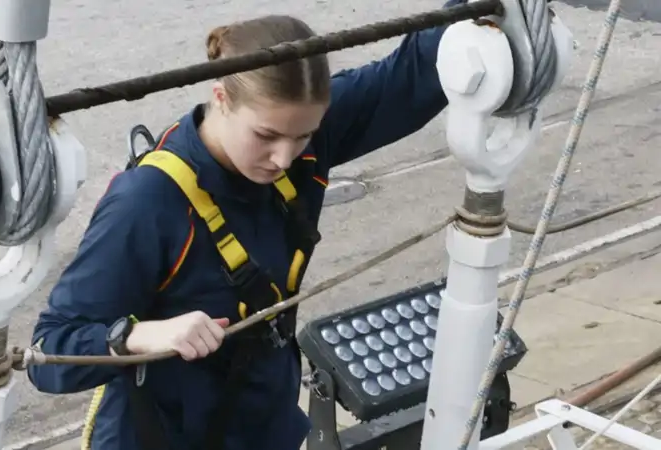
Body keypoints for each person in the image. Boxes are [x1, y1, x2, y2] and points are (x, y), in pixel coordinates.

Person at [27, 1, 467, 449]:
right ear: (221, 98)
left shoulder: (301, 137)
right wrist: (139, 335)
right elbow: (48, 354)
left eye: (303, 136)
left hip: (265, 427)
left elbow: (415, 70)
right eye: (266, 136)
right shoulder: (147, 203)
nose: (284, 158)